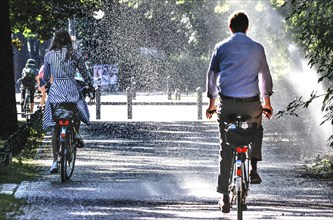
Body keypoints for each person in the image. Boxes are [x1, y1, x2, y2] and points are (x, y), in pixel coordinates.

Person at [205, 11, 273, 213]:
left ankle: (225, 198)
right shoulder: (257, 48)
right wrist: (266, 102)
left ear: (230, 28)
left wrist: (211, 103)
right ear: (247, 28)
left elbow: (212, 76)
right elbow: (265, 78)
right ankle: (253, 168)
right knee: (257, 128)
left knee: (225, 147)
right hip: (251, 104)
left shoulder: (221, 47)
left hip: (227, 104)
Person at [42, 30, 93, 174]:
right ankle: (76, 133)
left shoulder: (49, 55)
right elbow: (84, 72)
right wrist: (90, 84)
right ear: (68, 40)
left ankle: (54, 162)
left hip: (56, 92)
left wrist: (46, 82)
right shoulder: (75, 54)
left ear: (55, 40)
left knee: (55, 126)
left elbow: (45, 76)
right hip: (71, 90)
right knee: (76, 110)